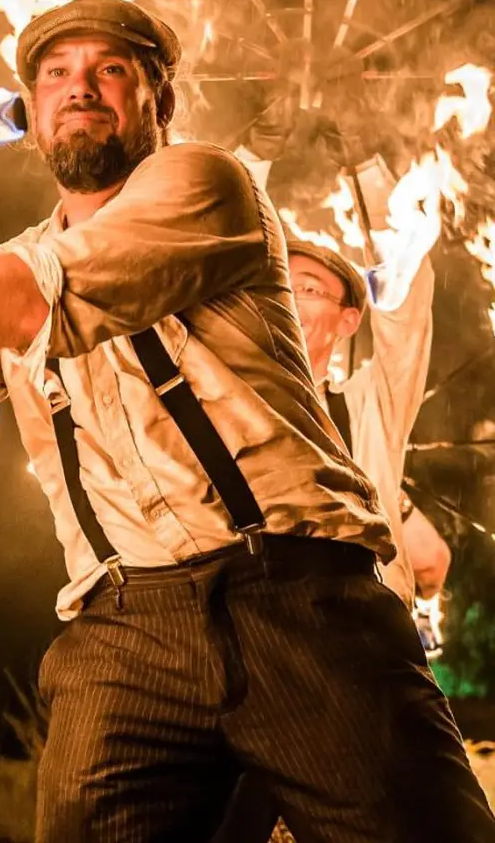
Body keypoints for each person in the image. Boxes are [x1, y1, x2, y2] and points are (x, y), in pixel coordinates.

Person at [0, 0, 495, 842]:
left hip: (294, 600)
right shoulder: (13, 262)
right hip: (122, 634)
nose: (80, 87)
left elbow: (38, 301)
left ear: (160, 102)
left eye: (111, 70)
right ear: (35, 117)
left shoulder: (210, 186)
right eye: (55, 75)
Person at [213, 155, 453, 841]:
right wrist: (249, 161)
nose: (288, 291)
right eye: (283, 277)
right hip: (246, 672)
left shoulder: (363, 411)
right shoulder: (212, 397)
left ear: (348, 320)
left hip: (358, 672)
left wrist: (378, 170)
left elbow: (406, 313)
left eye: (311, 286)